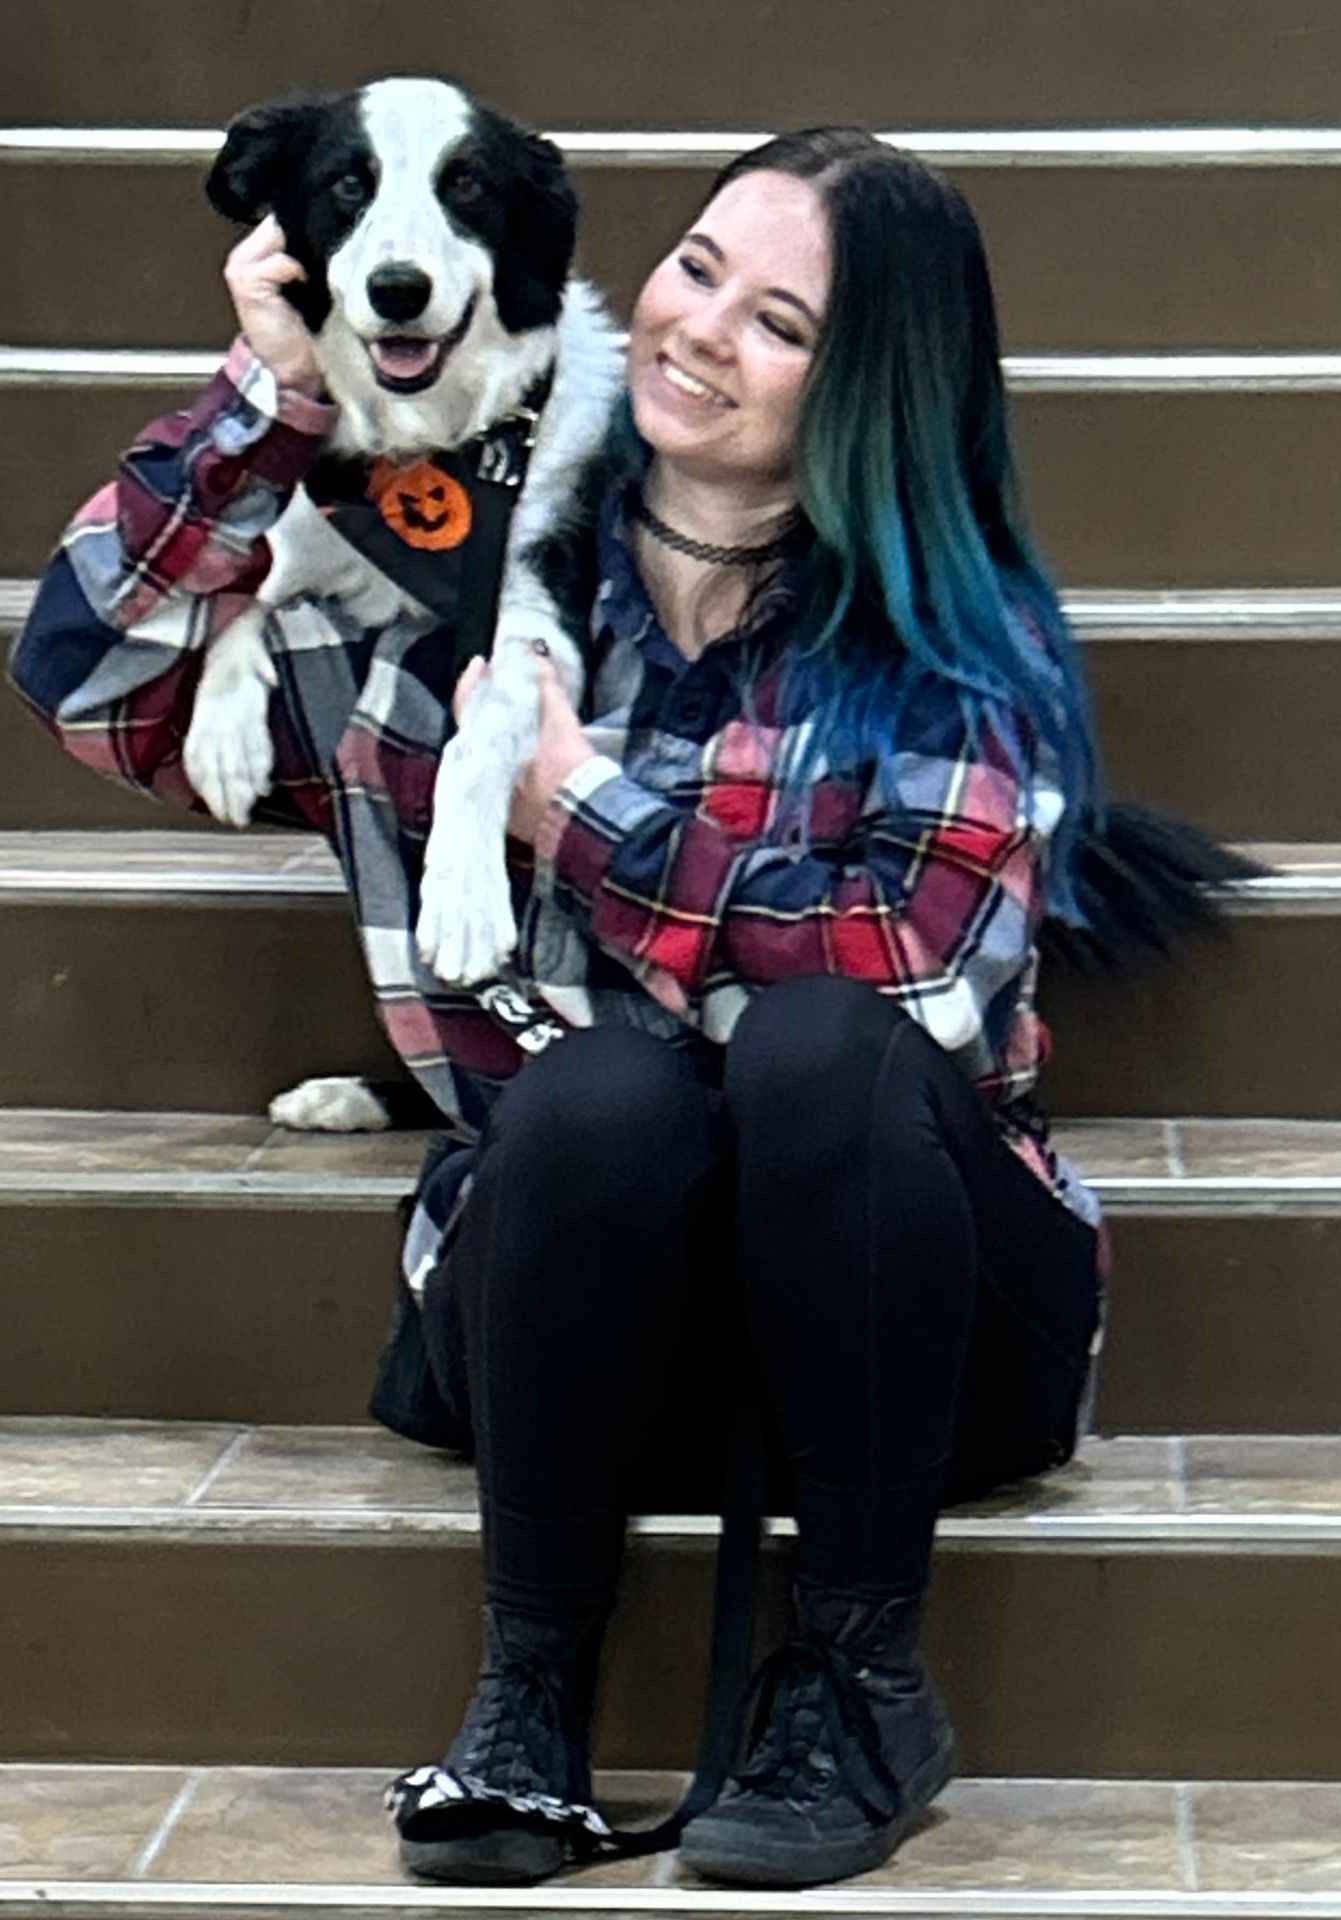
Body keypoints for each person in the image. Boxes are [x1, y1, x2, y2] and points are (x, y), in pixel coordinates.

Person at [12, 128, 1110, 1890]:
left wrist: (573, 809)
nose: (693, 331)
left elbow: (905, 978)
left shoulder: (947, 646)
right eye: (692, 267)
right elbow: (90, 677)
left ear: (872, 386)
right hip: (568, 1337)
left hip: (910, 1344)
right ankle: (529, 1697)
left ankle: (857, 1682)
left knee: (822, 1045)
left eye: (781, 323)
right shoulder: (433, 600)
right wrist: (275, 392)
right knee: (600, 1098)